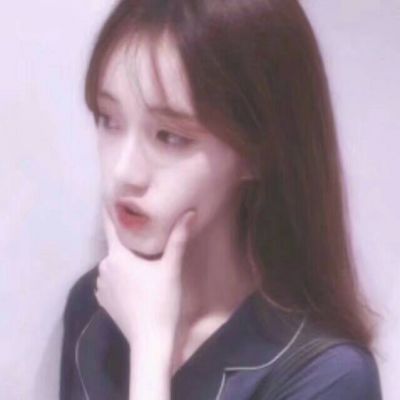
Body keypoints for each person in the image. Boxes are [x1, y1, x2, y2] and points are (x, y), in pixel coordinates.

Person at [59, 0, 383, 399]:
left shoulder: (329, 376)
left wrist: (149, 350)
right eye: (109, 120)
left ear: (258, 151)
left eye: (170, 136)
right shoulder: (95, 309)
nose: (124, 172)